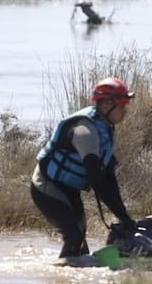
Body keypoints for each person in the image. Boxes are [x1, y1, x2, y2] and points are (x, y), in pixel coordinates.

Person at [31, 77, 138, 258]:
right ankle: (61, 277)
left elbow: (109, 178)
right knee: (74, 237)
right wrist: (123, 217)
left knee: (80, 245)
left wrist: (124, 217)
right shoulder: (85, 132)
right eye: (121, 107)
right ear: (106, 105)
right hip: (47, 186)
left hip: (68, 189)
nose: (125, 112)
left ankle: (73, 275)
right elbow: (97, 180)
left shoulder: (104, 127)